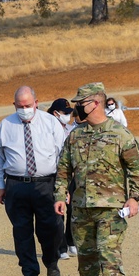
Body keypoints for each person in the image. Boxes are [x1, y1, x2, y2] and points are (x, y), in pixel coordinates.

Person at [55, 82, 139, 276]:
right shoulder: (75, 135)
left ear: (95, 103)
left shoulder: (120, 134)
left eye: (80, 103)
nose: (76, 107)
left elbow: (137, 169)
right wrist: (60, 195)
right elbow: (63, 168)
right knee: (86, 254)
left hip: (111, 207)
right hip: (81, 206)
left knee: (108, 252)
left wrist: (134, 197)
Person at [0, 86, 67, 276]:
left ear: (36, 102)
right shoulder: (6, 125)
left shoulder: (50, 122)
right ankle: (29, 273)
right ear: (14, 105)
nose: (24, 109)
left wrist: (63, 186)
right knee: (22, 231)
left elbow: (64, 157)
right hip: (17, 185)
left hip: (46, 184)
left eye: (28, 105)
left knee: (52, 227)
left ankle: (51, 261)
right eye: (20, 106)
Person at [47, 98, 77, 259]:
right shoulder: (49, 129)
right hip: (56, 175)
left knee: (73, 208)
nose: (68, 116)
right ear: (56, 113)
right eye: (65, 114)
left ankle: (71, 241)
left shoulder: (70, 129)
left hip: (70, 174)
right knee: (59, 211)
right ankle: (60, 246)